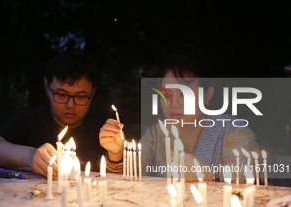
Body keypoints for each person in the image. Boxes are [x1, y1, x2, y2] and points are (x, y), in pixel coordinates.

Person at [99, 52, 260, 182]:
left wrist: (209, 177)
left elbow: (249, 187)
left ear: (207, 95)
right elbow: (131, 179)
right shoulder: (155, 135)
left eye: (184, 94)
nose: (173, 103)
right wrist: (117, 153)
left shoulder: (233, 132)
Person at [0, 51, 105, 176]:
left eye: (81, 96)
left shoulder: (101, 130)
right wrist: (29, 156)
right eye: (61, 95)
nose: (70, 105)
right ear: (47, 89)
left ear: (92, 93)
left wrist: (116, 154)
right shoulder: (30, 122)